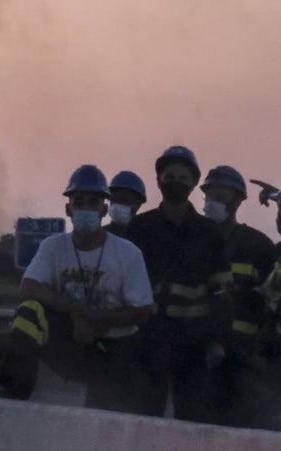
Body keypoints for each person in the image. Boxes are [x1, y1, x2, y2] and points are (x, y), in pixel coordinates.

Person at [0, 165, 154, 411]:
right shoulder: (53, 247)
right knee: (29, 311)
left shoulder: (128, 253)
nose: (86, 209)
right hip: (72, 340)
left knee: (103, 411)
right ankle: (12, 390)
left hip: (113, 348)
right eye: (79, 202)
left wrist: (96, 319)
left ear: (103, 209)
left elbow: (142, 310)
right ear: (68, 208)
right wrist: (75, 311)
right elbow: (28, 287)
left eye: (93, 202)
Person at [126, 146, 232, 422]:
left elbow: (221, 292)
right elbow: (125, 284)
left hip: (193, 342)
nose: (176, 182)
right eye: (169, 176)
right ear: (159, 180)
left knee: (192, 415)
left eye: (183, 178)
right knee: (144, 415)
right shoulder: (140, 227)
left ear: (194, 183)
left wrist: (216, 340)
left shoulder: (209, 232)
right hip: (148, 337)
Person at [197, 165, 274, 426]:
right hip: (199, 358)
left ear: (239, 201)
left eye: (222, 196)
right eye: (210, 196)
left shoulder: (258, 246)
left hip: (244, 364)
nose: (213, 202)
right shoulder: (191, 240)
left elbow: (269, 304)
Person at [105, 171, 146, 237]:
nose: (117, 204)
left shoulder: (148, 237)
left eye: (123, 200)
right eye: (113, 199)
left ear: (138, 204)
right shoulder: (99, 238)